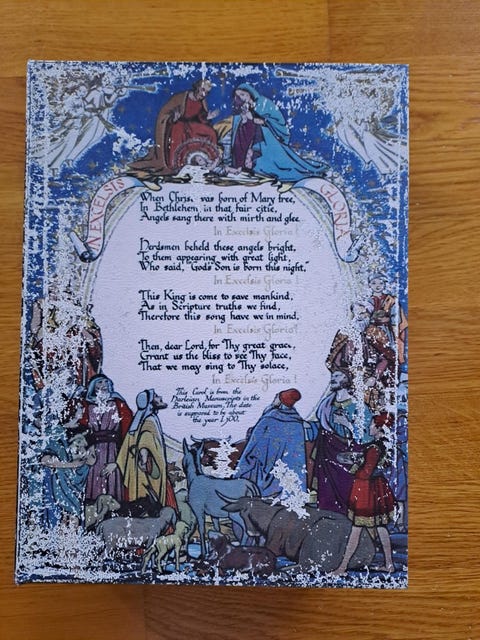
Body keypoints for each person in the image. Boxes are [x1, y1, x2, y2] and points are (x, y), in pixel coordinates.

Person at [332, 413, 397, 575]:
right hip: (377, 489)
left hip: (367, 491)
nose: (369, 427)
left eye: (372, 425)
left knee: (356, 528)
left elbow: (366, 472)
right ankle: (389, 565)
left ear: (379, 428)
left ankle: (342, 567)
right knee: (380, 527)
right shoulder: (383, 444)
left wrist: (355, 469)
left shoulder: (374, 448)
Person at [229, 83, 327, 181]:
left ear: (250, 93)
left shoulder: (263, 103)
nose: (241, 97)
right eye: (238, 96)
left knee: (277, 165)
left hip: (266, 138)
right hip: (251, 138)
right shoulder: (243, 107)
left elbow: (275, 121)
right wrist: (245, 119)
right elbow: (239, 125)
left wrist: (253, 119)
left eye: (243, 94)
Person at [103, 389, 176, 509]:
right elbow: (145, 441)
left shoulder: (141, 421)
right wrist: (144, 458)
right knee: (149, 499)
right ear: (150, 403)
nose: (160, 397)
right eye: (156, 396)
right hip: (146, 471)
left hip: (142, 469)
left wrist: (118, 464)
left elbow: (128, 445)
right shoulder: (149, 421)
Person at [129, 78, 219, 175]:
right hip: (178, 123)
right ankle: (174, 164)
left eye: (207, 92)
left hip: (192, 125)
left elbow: (200, 117)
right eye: (202, 90)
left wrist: (207, 117)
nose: (204, 94)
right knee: (177, 131)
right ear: (197, 87)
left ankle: (209, 160)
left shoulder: (202, 101)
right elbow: (164, 114)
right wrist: (172, 118)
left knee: (211, 133)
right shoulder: (180, 98)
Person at [309, 370, 369, 514]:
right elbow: (319, 424)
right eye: (332, 376)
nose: (333, 378)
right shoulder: (326, 403)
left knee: (345, 484)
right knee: (326, 483)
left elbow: (366, 436)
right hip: (327, 449)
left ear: (346, 379)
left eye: (337, 376)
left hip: (347, 453)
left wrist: (347, 424)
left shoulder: (358, 406)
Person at [235, 388, 307, 497]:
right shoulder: (297, 421)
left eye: (277, 397)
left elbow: (255, 443)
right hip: (288, 477)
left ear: (280, 401)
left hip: (267, 466)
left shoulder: (270, 418)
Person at [41, 403, 96, 529]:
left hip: (80, 478)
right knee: (65, 513)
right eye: (79, 407)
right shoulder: (54, 432)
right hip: (60, 479)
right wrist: (70, 465)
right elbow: (45, 460)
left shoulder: (86, 430)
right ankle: (61, 539)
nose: (82, 410)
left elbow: (92, 459)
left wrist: (83, 457)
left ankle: (73, 539)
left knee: (75, 512)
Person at [79, 374, 133, 503]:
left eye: (105, 382)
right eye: (99, 382)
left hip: (114, 451)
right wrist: (89, 446)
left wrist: (119, 460)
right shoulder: (86, 405)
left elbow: (128, 431)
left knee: (113, 482)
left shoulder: (118, 403)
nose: (103, 385)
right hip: (93, 451)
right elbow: (82, 428)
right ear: (93, 387)